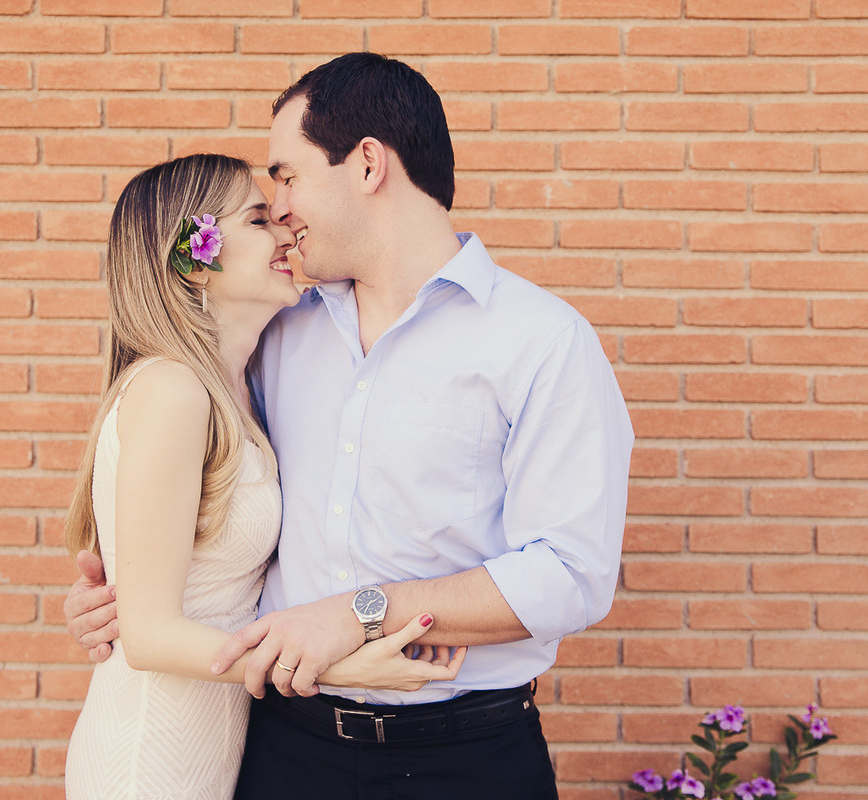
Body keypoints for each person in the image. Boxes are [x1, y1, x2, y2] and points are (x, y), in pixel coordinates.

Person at [65, 52, 634, 798]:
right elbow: (212, 507)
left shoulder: (541, 341)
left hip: (467, 759)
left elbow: (570, 577)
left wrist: (360, 615)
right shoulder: (275, 333)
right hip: (284, 751)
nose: (281, 209)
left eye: (288, 178)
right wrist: (134, 602)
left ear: (367, 164)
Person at [60, 153, 465, 800]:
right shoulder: (172, 391)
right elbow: (148, 634)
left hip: (216, 754)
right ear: (196, 257)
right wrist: (338, 664)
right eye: (257, 218)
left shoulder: (235, 390)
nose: (284, 229)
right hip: (149, 764)